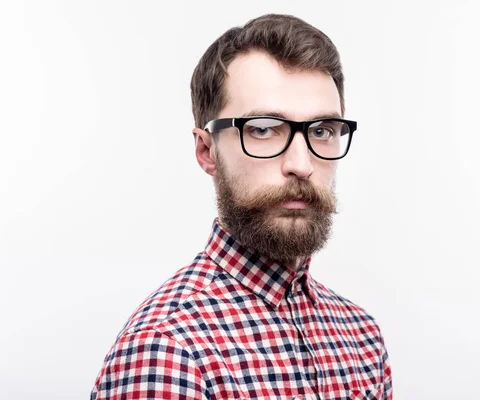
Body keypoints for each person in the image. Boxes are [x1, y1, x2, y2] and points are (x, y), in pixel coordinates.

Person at [91, 13, 392, 400]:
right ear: (206, 150)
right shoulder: (168, 351)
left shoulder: (362, 339)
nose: (301, 164)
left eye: (321, 131)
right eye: (263, 129)